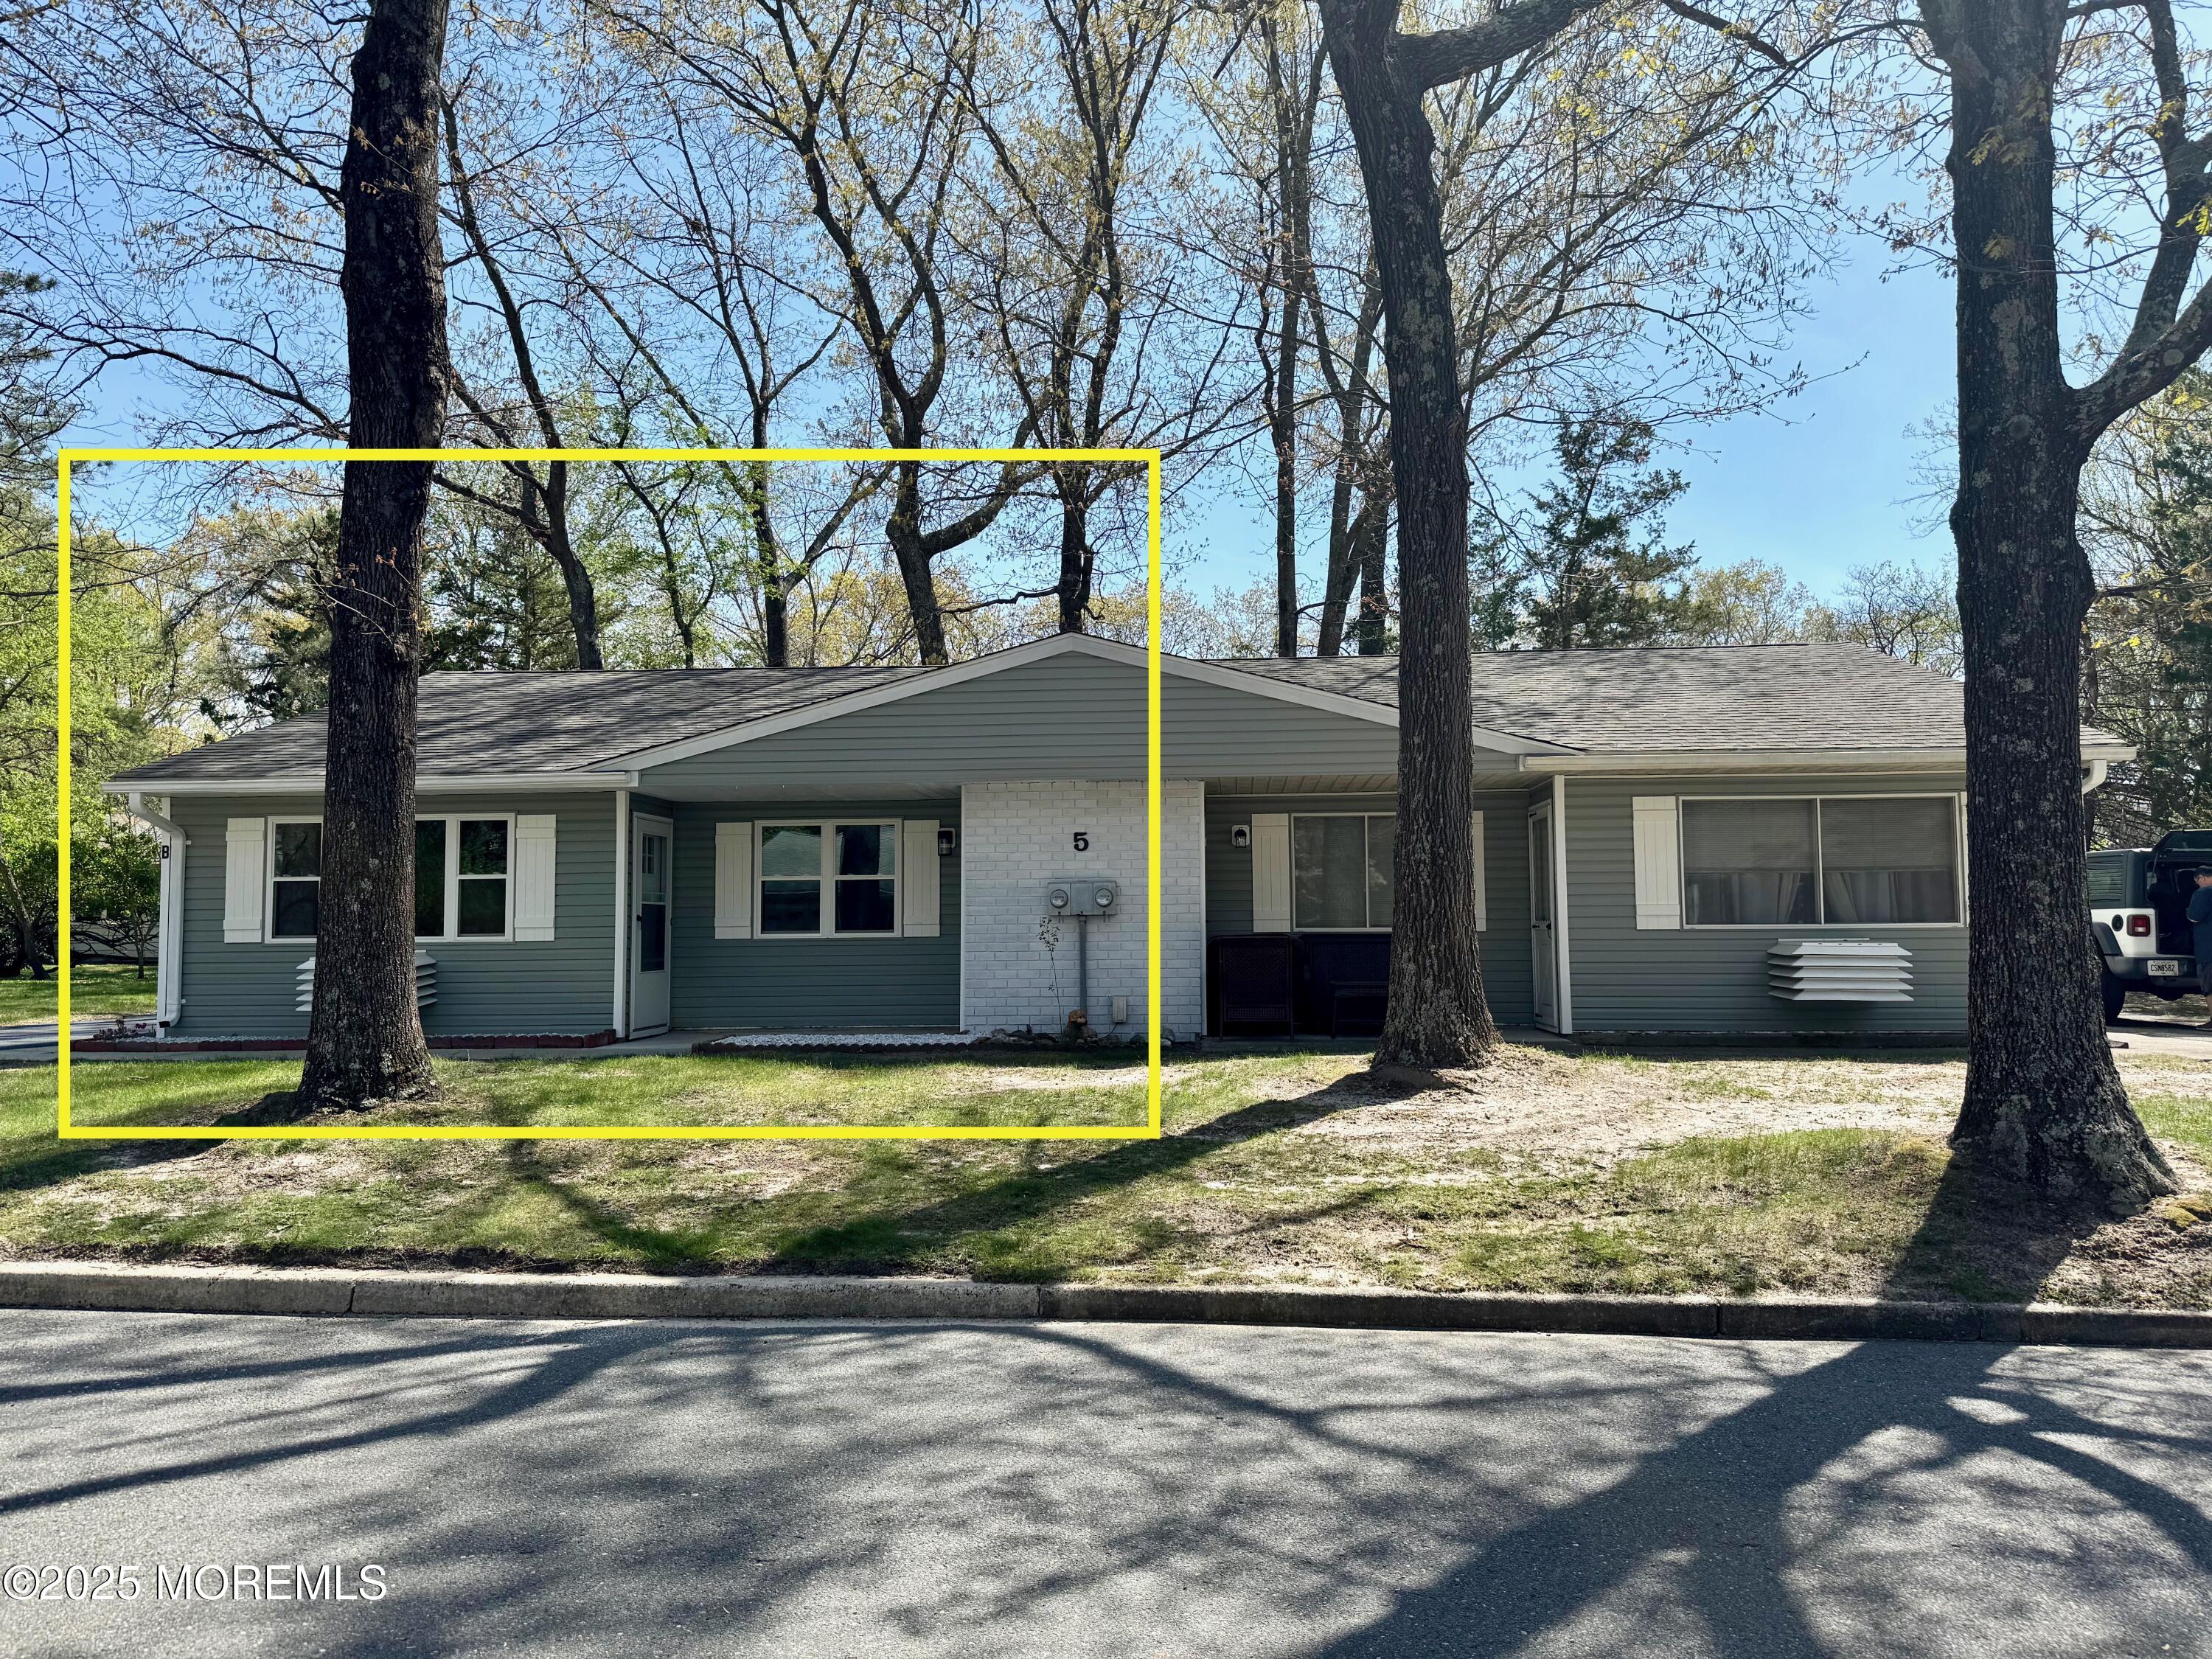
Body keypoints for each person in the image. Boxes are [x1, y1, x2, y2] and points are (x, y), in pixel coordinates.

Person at [2190, 868, 2212, 1029]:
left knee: (2209, 987)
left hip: (2207, 949)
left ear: (2202, 878)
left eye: (2196, 881)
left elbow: (2194, 916)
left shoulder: (2203, 893)